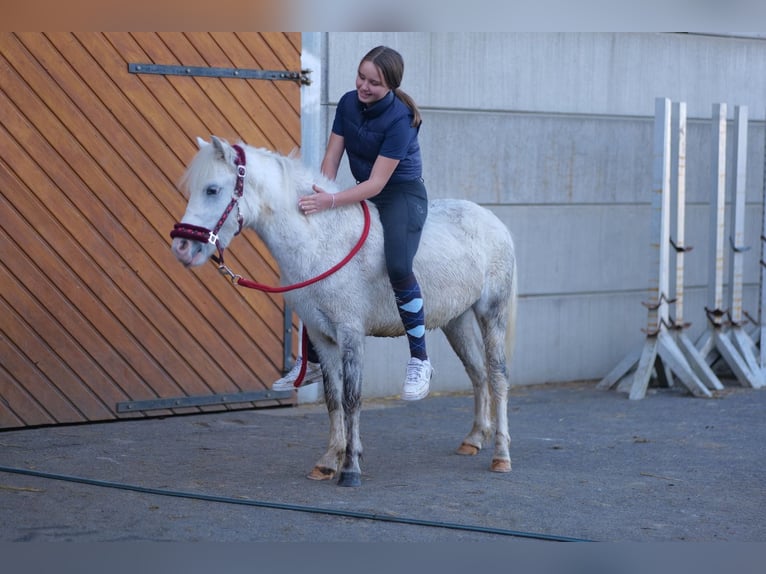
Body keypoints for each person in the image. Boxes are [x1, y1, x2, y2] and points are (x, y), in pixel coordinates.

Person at [272, 45, 432, 401]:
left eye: (374, 82)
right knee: (318, 255)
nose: (364, 85)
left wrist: (331, 200)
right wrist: (322, 193)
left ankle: (420, 359)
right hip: (359, 191)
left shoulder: (401, 119)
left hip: (399, 195)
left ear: (390, 85)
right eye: (361, 76)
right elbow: (331, 157)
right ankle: (311, 361)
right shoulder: (347, 103)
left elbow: (376, 184)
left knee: (398, 264)